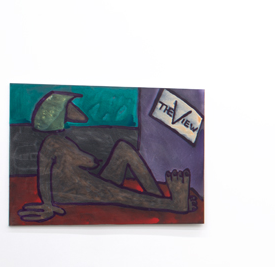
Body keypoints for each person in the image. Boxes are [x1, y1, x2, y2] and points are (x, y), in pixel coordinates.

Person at [17, 91, 197, 223]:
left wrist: (89, 161)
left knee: (124, 149)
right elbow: (48, 173)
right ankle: (174, 204)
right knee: (124, 195)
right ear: (60, 113)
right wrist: (48, 204)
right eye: (69, 105)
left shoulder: (57, 142)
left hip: (83, 184)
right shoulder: (53, 143)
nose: (74, 108)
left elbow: (81, 162)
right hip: (77, 190)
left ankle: (162, 200)